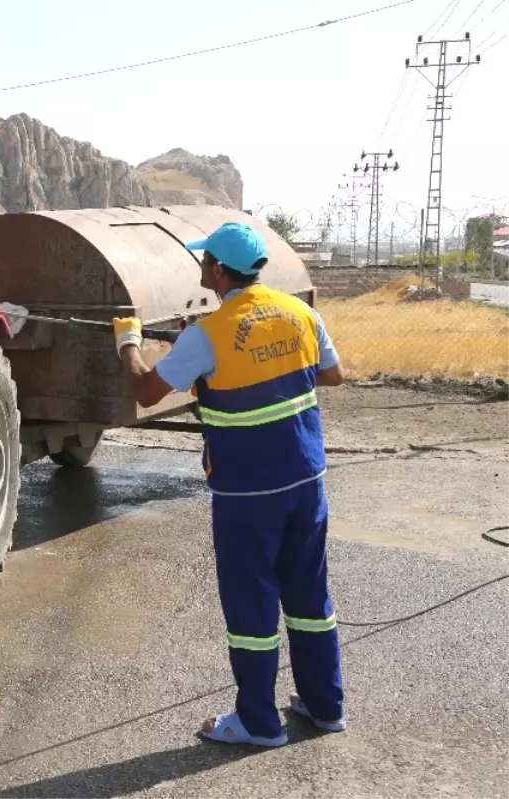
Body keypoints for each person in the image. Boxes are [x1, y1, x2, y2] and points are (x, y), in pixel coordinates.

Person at [111, 221, 346, 748]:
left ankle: (260, 725)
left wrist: (129, 345)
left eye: (204, 261)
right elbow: (333, 375)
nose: (201, 268)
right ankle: (326, 707)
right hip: (306, 480)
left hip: (247, 493)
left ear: (218, 269)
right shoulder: (301, 313)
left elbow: (147, 392)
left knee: (251, 607)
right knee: (309, 595)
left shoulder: (207, 335)